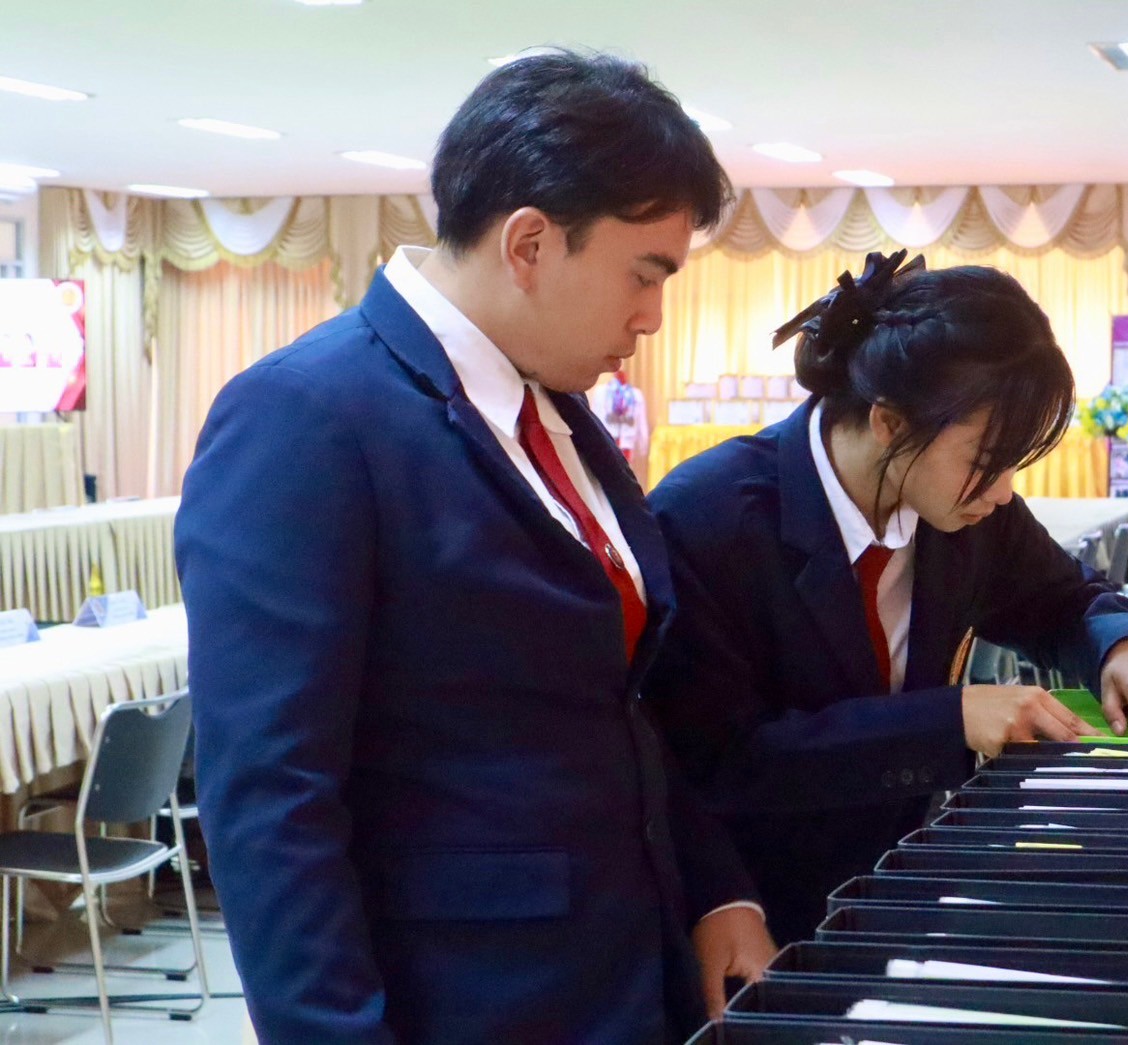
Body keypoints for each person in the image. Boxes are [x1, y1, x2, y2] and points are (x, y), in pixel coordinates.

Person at [175, 51, 773, 1044]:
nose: (652, 317)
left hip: (624, 972)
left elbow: (614, 706)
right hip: (463, 998)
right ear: (530, 243)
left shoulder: (557, 408)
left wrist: (716, 888)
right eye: (644, 274)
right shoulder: (309, 415)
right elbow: (272, 798)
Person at [643, 251, 1128, 944]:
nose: (1004, 492)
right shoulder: (707, 520)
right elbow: (719, 760)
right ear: (889, 423)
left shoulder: (965, 511)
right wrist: (949, 719)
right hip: (753, 910)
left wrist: (1122, 644)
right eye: (986, 462)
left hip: (898, 891)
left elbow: (1063, 599)